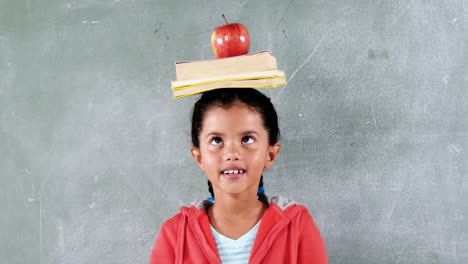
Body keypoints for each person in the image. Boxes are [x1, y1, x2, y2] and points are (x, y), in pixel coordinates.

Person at [149, 88, 327, 263]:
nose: (232, 153)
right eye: (217, 140)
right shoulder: (174, 235)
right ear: (199, 157)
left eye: (247, 139)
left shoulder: (297, 228)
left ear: (270, 154)